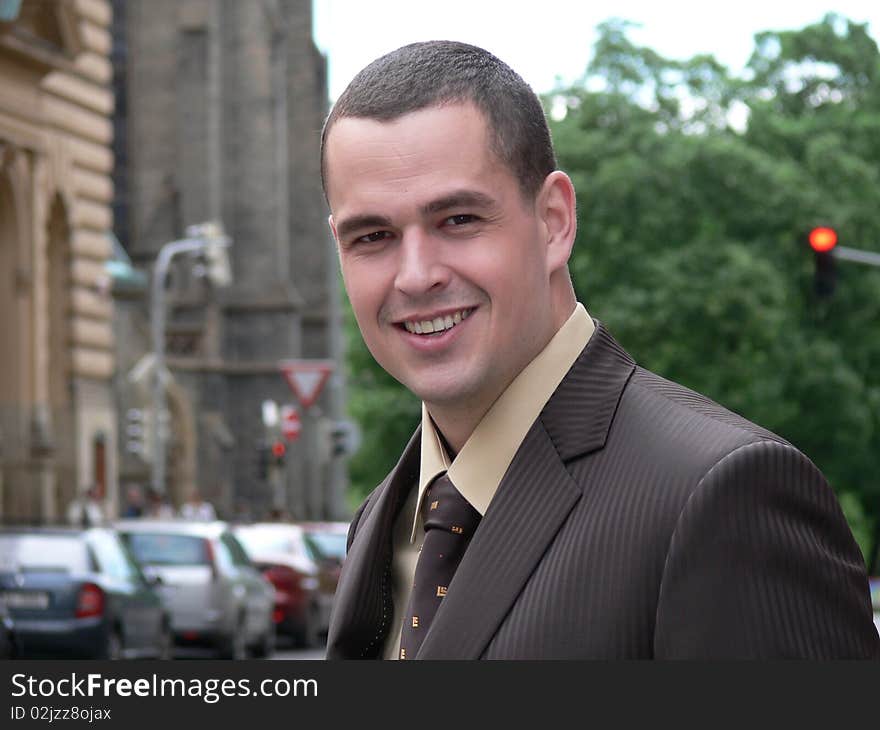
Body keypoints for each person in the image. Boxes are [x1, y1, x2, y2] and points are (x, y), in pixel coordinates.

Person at [321, 41, 880, 660]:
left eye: (458, 220)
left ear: (555, 220)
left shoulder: (723, 496)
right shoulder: (383, 518)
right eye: (373, 236)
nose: (415, 275)